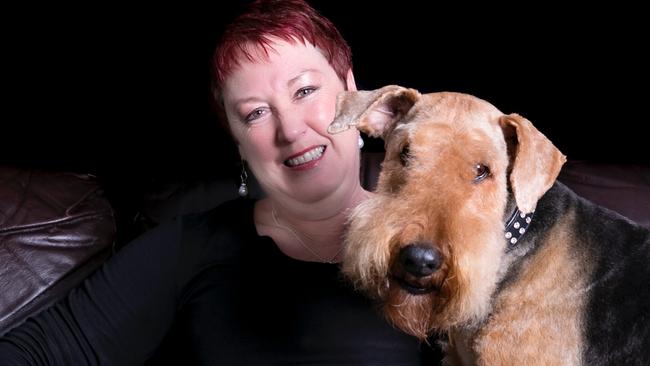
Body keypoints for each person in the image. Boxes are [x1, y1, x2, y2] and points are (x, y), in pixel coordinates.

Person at [0, 0, 441, 364]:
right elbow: (33, 353)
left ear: (351, 89)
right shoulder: (187, 249)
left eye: (305, 91)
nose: (290, 129)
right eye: (255, 113)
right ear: (239, 145)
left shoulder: (441, 245)